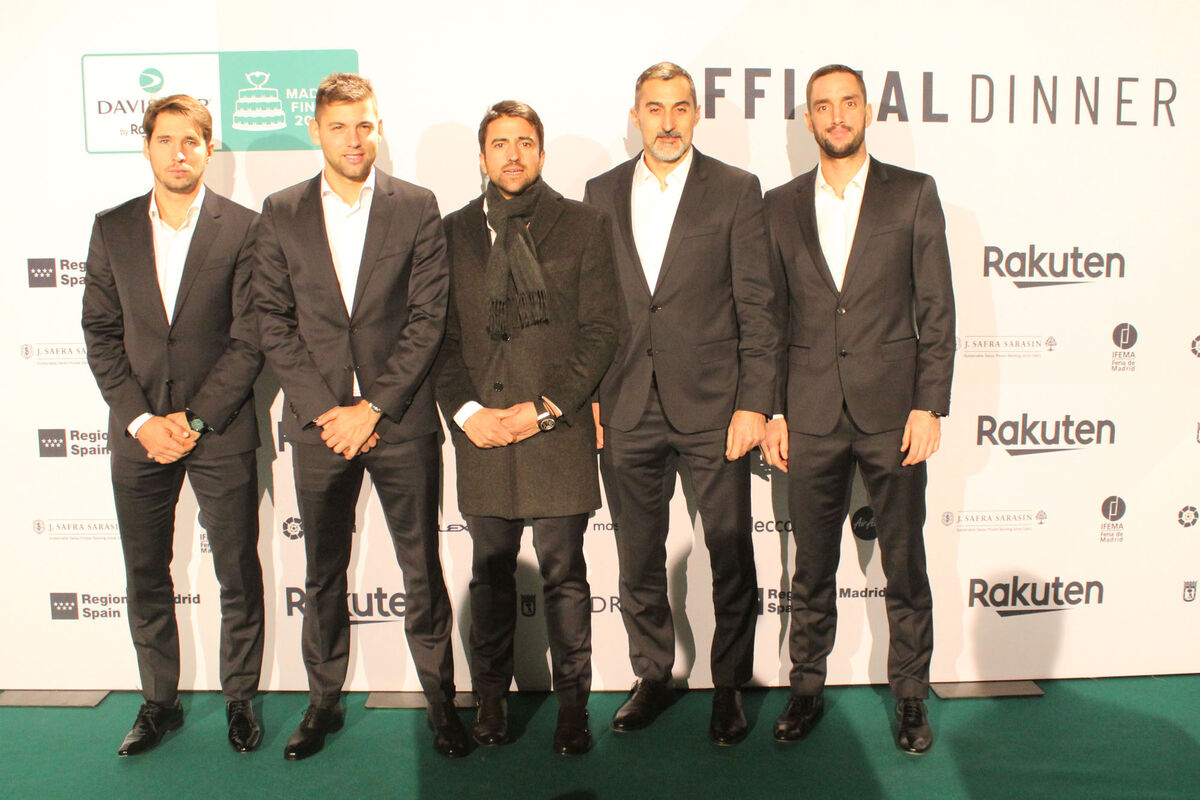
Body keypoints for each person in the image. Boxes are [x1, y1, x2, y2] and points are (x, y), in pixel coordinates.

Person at [254, 72, 466, 760]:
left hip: (399, 422)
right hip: (319, 429)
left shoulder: (417, 206)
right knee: (322, 573)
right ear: (316, 131)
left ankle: (442, 704)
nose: (354, 139)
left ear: (379, 129)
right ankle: (323, 703)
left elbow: (428, 318)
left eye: (365, 125)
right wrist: (328, 412)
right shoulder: (280, 211)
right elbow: (272, 321)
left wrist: (371, 408)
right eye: (340, 127)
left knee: (421, 569)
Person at [760, 64, 956, 754]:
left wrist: (930, 405)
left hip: (894, 413)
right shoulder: (779, 205)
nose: (836, 116)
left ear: (867, 110)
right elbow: (771, 318)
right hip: (809, 412)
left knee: (904, 564)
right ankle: (806, 688)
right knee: (811, 568)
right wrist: (773, 411)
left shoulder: (913, 193)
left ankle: (911, 694)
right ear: (808, 119)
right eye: (823, 106)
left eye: (848, 103)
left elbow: (937, 307)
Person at [584, 62, 776, 745]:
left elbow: (757, 305)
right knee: (637, 556)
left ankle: (729, 687)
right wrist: (594, 395)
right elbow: (593, 307)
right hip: (626, 403)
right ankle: (651, 676)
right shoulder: (600, 192)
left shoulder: (736, 189)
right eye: (655, 108)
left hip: (715, 408)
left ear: (696, 114)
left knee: (730, 554)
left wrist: (755, 403)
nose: (668, 122)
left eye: (680, 108)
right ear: (635, 115)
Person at [82, 94, 265, 756]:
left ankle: (240, 699)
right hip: (139, 436)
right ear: (147, 147)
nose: (179, 152)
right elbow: (101, 333)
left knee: (237, 570)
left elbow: (250, 338)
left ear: (209, 149)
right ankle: (160, 702)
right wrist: (140, 420)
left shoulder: (244, 228)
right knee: (146, 571)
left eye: (192, 140)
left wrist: (192, 418)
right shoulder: (113, 228)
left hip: (221, 428)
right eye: (166, 140)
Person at [434, 101, 618, 755]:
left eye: (524, 142)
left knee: (566, 577)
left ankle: (572, 709)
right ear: (482, 156)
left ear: (541, 153)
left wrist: (545, 409)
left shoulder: (583, 225)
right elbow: (439, 339)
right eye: (499, 143)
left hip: (555, 430)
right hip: (483, 432)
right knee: (490, 579)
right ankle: (490, 703)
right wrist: (468, 414)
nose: (512, 155)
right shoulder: (453, 231)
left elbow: (601, 331)